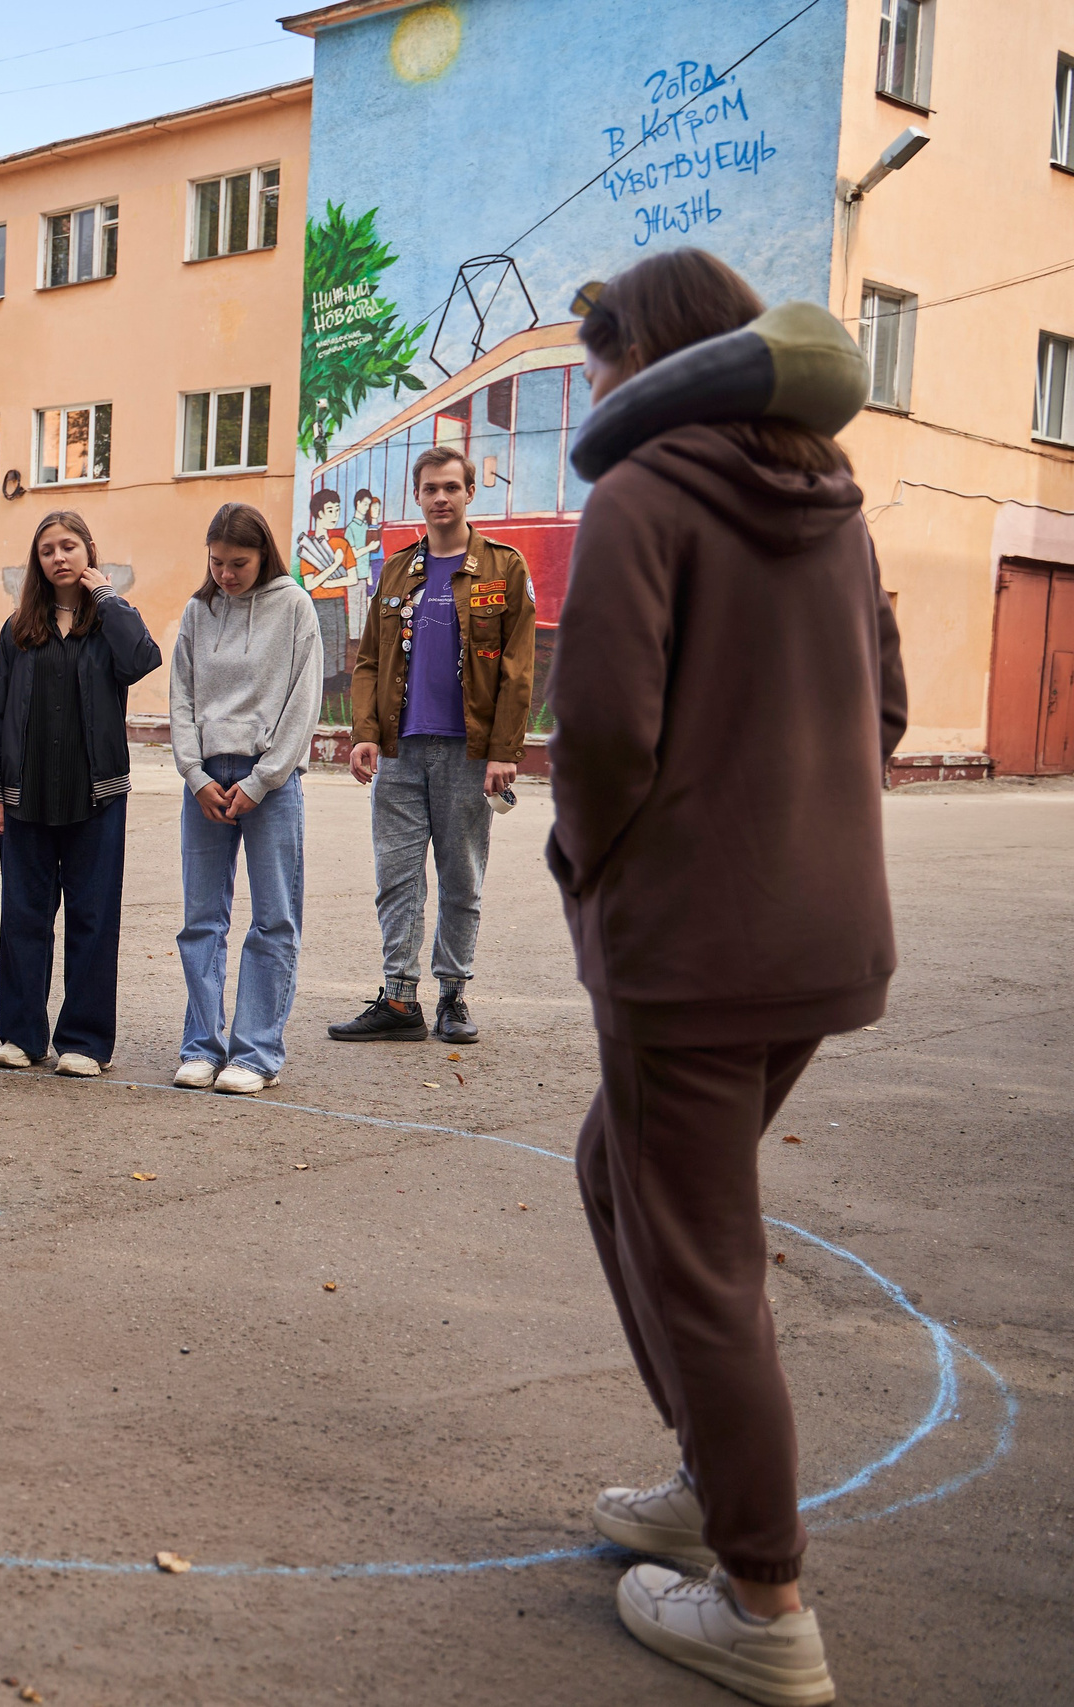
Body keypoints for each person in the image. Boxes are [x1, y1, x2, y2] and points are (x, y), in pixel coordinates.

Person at [550, 250, 890, 1707]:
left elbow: (605, 732)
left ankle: (763, 1598)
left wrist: (597, 865)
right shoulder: (834, 500)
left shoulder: (640, 493)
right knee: (619, 1175)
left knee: (702, 1257)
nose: (593, 386)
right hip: (816, 935)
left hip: (691, 947)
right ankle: (709, 1480)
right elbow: (884, 707)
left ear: (652, 354)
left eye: (599, 356)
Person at [328, 444, 536, 1047]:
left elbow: (519, 668)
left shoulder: (503, 567)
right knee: (396, 878)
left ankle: (452, 996)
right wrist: (365, 733)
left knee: (461, 877)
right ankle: (398, 999)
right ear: (417, 497)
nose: (441, 497)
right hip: (400, 749)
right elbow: (368, 661)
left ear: (470, 492)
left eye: (451, 487)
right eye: (430, 489)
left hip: (469, 753)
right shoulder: (396, 571)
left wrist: (504, 750)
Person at [0, 510, 160, 1078]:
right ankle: (22, 1036)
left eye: (69, 546)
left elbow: (142, 659)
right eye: (48, 549)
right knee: (24, 918)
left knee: (93, 918)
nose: (59, 557)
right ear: (38, 562)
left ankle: (84, 1041)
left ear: (88, 552)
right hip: (26, 797)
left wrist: (107, 597)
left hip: (96, 797)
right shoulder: (18, 629)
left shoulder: (108, 624)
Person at [169, 502, 322, 1094]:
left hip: (272, 784)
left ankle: (255, 1053)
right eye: (218, 563)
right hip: (205, 782)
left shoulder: (294, 607)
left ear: (264, 556)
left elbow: (302, 702)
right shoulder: (197, 610)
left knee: (274, 919)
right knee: (201, 920)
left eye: (240, 563)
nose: (227, 574)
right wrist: (193, 773)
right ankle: (201, 1046)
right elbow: (180, 696)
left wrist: (263, 781)